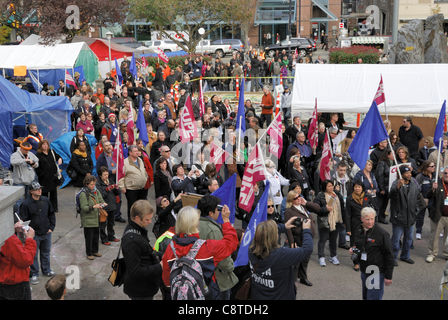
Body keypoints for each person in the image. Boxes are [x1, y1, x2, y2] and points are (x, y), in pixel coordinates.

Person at [162, 205, 239, 300]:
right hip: (206, 293)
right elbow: (231, 243)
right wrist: (226, 220)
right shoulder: (207, 247)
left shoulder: (171, 248)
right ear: (196, 224)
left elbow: (167, 280)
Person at [248, 217, 313, 300]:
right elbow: (307, 249)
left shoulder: (251, 247)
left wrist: (284, 226)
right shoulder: (282, 255)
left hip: (258, 295)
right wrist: (306, 229)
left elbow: (263, 234)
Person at [197, 195, 239, 300]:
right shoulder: (213, 230)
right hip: (218, 279)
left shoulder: (194, 224)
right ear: (210, 213)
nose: (219, 212)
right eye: (217, 209)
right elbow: (223, 256)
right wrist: (231, 267)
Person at [121, 200, 163, 300]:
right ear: (137, 218)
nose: (150, 222)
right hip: (140, 291)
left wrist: (163, 254)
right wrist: (159, 266)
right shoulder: (132, 241)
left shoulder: (136, 228)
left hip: (144, 287)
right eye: (147, 219)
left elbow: (146, 252)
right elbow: (135, 271)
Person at [350, 207, 394, 300]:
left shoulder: (382, 234)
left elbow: (389, 255)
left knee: (373, 298)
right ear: (362, 219)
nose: (370, 222)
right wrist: (354, 248)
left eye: (372, 219)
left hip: (376, 271)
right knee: (365, 297)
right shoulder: (359, 229)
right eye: (367, 219)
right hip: (364, 269)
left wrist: (388, 276)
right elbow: (357, 242)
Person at [18, 181, 56, 285]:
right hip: (34, 235)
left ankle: (46, 270)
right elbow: (23, 221)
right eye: (37, 189)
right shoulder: (25, 205)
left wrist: (51, 228)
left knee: (45, 253)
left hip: (46, 233)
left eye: (40, 188)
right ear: (31, 192)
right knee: (33, 255)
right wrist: (29, 233)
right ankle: (34, 274)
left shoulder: (45, 200)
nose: (40, 190)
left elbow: (51, 214)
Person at [284, 190, 320, 286]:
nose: (299, 198)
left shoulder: (303, 206)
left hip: (307, 237)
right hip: (298, 238)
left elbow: (317, 208)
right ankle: (293, 281)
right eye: (296, 198)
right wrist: (292, 242)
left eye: (299, 196)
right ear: (291, 201)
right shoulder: (289, 212)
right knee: (296, 262)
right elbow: (288, 229)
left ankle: (303, 277)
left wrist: (306, 202)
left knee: (305, 260)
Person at [389, 165, 421, 265]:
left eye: (410, 173)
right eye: (406, 173)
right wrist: (397, 187)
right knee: (395, 240)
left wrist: (416, 211)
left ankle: (405, 256)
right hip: (399, 217)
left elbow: (419, 198)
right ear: (401, 174)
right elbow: (391, 196)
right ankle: (392, 258)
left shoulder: (414, 184)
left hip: (410, 217)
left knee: (408, 239)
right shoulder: (396, 183)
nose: (409, 174)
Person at [345, 180, 378, 271]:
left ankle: (365, 261)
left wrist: (373, 220)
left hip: (367, 224)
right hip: (355, 224)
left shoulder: (367, 197)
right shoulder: (350, 198)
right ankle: (356, 263)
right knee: (355, 244)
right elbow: (347, 214)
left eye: (359, 187)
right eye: (355, 187)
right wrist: (348, 228)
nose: (357, 189)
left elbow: (376, 207)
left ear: (362, 188)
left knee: (368, 243)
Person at [313, 180, 346, 267]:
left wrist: (344, 220)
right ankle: (321, 257)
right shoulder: (320, 196)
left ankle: (333, 256)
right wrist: (325, 209)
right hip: (325, 221)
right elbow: (315, 209)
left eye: (332, 186)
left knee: (333, 239)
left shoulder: (337, 194)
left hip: (336, 220)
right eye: (329, 186)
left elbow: (342, 207)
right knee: (323, 239)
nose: (331, 188)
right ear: (324, 187)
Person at [0, 221, 36, 300]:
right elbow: (26, 259)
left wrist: (11, 229)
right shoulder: (9, 239)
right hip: (14, 286)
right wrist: (30, 239)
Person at [79, 175, 107, 260]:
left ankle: (95, 251)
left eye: (94, 184)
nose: (93, 186)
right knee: (89, 238)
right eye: (91, 184)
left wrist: (103, 204)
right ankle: (89, 253)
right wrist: (95, 206)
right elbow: (84, 208)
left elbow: (101, 200)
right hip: (88, 220)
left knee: (95, 236)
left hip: (96, 219)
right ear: (86, 184)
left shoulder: (96, 191)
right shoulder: (83, 194)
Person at [118, 145, 149, 221]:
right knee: (132, 207)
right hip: (131, 189)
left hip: (142, 188)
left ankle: (140, 221)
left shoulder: (140, 160)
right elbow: (121, 176)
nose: (137, 152)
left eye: (138, 151)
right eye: (135, 151)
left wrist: (145, 177)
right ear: (130, 152)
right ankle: (131, 222)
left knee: (141, 206)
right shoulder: (125, 162)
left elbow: (143, 170)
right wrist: (122, 187)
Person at [425, 166, 448, 263]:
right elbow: (429, 195)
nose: (447, 175)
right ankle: (432, 253)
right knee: (434, 235)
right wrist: (433, 189)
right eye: (445, 173)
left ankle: (446, 253)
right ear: (443, 173)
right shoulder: (436, 182)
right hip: (439, 214)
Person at [10, 138, 39, 207]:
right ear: (21, 148)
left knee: (29, 200)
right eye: (25, 150)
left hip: (30, 181)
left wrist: (35, 164)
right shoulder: (14, 155)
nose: (27, 151)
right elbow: (13, 162)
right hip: (19, 182)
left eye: (28, 150)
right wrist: (25, 160)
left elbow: (37, 162)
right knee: (18, 201)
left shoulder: (31, 154)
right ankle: (16, 216)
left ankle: (27, 216)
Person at [35, 139, 62, 212]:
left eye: (46, 144)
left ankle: (54, 208)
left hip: (53, 176)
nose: (45, 146)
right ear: (40, 146)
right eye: (43, 144)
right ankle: (45, 208)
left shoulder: (51, 152)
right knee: (44, 194)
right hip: (44, 178)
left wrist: (59, 159)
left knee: (53, 193)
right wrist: (41, 174)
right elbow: (37, 167)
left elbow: (58, 156)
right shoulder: (38, 155)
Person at [96, 166, 120, 245]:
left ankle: (111, 236)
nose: (106, 176)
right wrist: (107, 190)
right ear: (100, 175)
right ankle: (104, 238)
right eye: (104, 175)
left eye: (107, 174)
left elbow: (117, 193)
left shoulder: (110, 181)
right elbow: (101, 195)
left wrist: (116, 189)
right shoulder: (98, 184)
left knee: (111, 222)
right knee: (103, 223)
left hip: (112, 205)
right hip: (104, 206)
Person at [415, 160, 435, 240]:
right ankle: (418, 232)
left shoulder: (435, 176)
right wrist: (422, 198)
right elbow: (416, 189)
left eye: (434, 166)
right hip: (423, 199)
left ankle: (435, 231)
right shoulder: (420, 177)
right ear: (426, 168)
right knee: (420, 216)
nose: (434, 168)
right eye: (432, 166)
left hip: (432, 200)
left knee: (433, 216)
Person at [375, 149, 396, 224]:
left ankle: (381, 217)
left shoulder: (393, 163)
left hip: (389, 187)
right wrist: (382, 188)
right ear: (388, 155)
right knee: (379, 204)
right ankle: (375, 218)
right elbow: (379, 176)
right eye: (393, 154)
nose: (395, 156)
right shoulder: (382, 163)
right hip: (383, 187)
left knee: (385, 204)